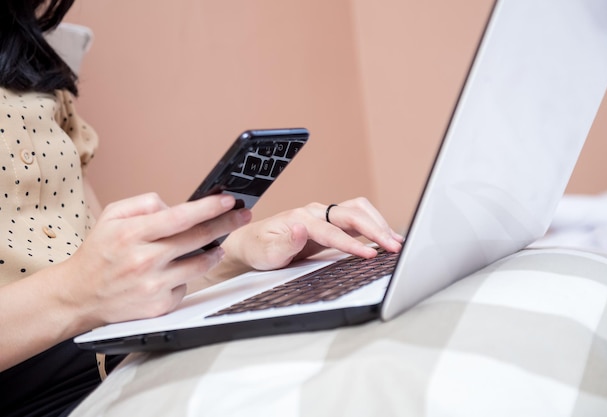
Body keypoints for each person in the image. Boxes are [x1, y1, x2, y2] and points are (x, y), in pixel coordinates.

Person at [0, 0, 404, 415]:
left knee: (366, 363)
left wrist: (236, 251)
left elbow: (110, 288)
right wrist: (76, 293)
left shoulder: (29, 62)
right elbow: (88, 290)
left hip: (114, 367)